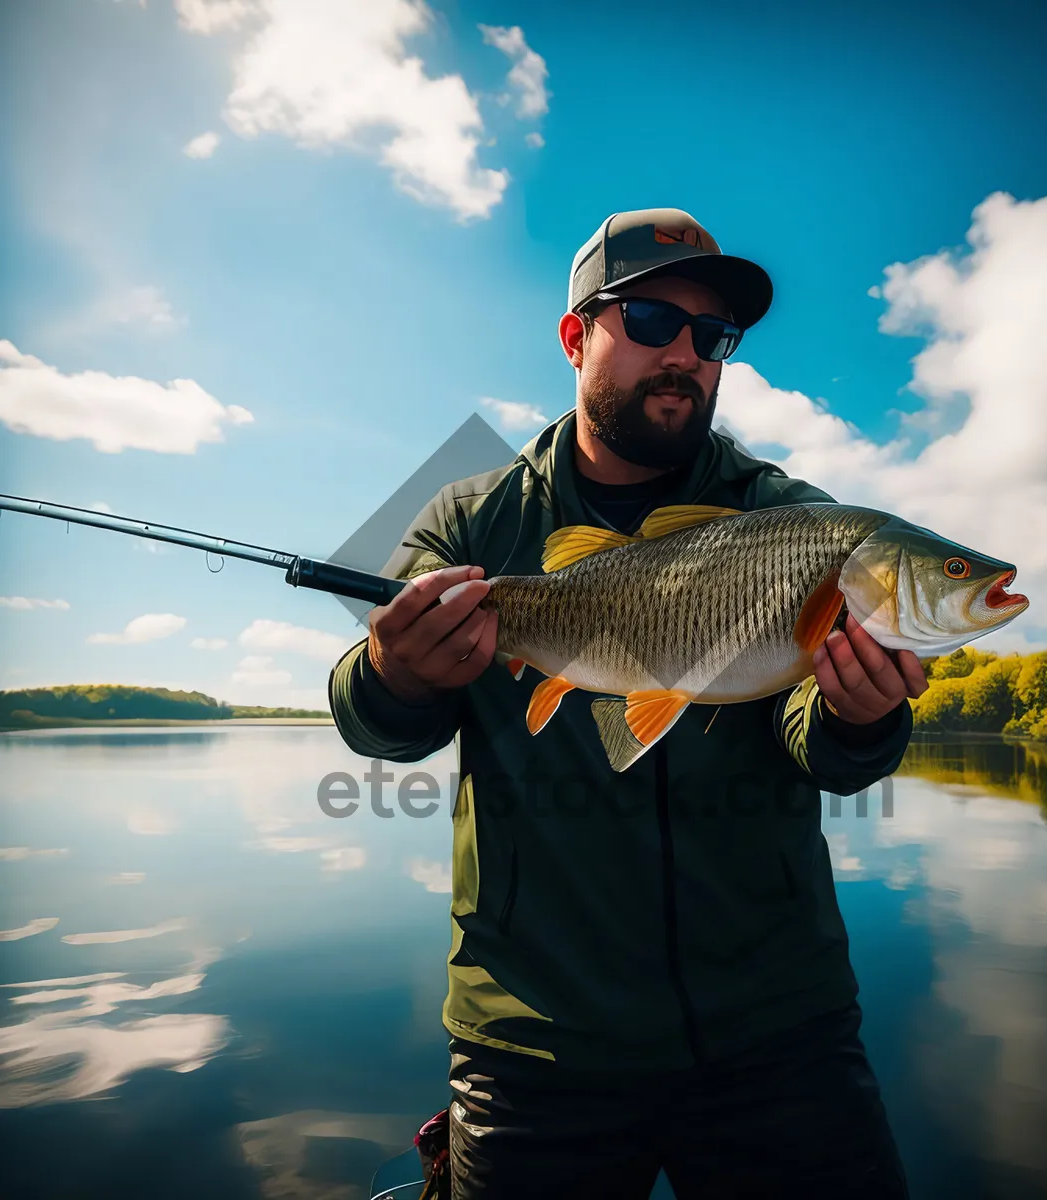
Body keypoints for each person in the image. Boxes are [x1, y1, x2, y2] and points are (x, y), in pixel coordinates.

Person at [329, 209, 928, 1199]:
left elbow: (811, 739)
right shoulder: (471, 519)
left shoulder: (790, 518)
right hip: (532, 1041)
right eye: (652, 319)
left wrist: (859, 718)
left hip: (779, 1031)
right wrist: (396, 674)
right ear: (576, 338)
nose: (686, 354)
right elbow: (376, 719)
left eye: (713, 336)